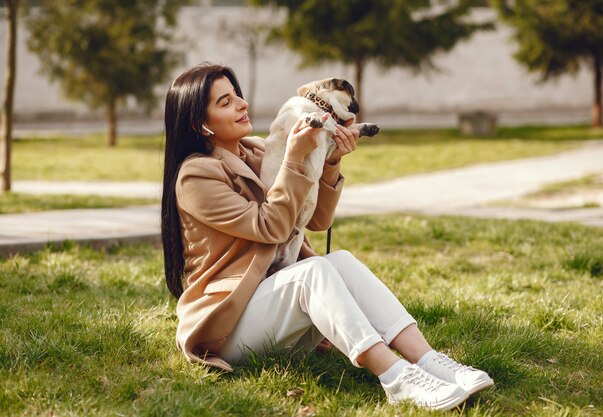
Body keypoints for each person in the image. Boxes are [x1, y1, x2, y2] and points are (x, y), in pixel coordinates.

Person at [161, 62, 494, 412]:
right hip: (229, 327)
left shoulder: (258, 150)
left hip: (276, 308)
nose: (241, 104)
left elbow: (316, 220)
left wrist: (331, 160)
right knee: (313, 272)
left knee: (340, 261)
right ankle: (396, 378)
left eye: (237, 96)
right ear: (200, 123)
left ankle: (429, 361)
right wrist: (294, 158)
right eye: (225, 102)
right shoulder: (195, 175)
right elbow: (270, 227)